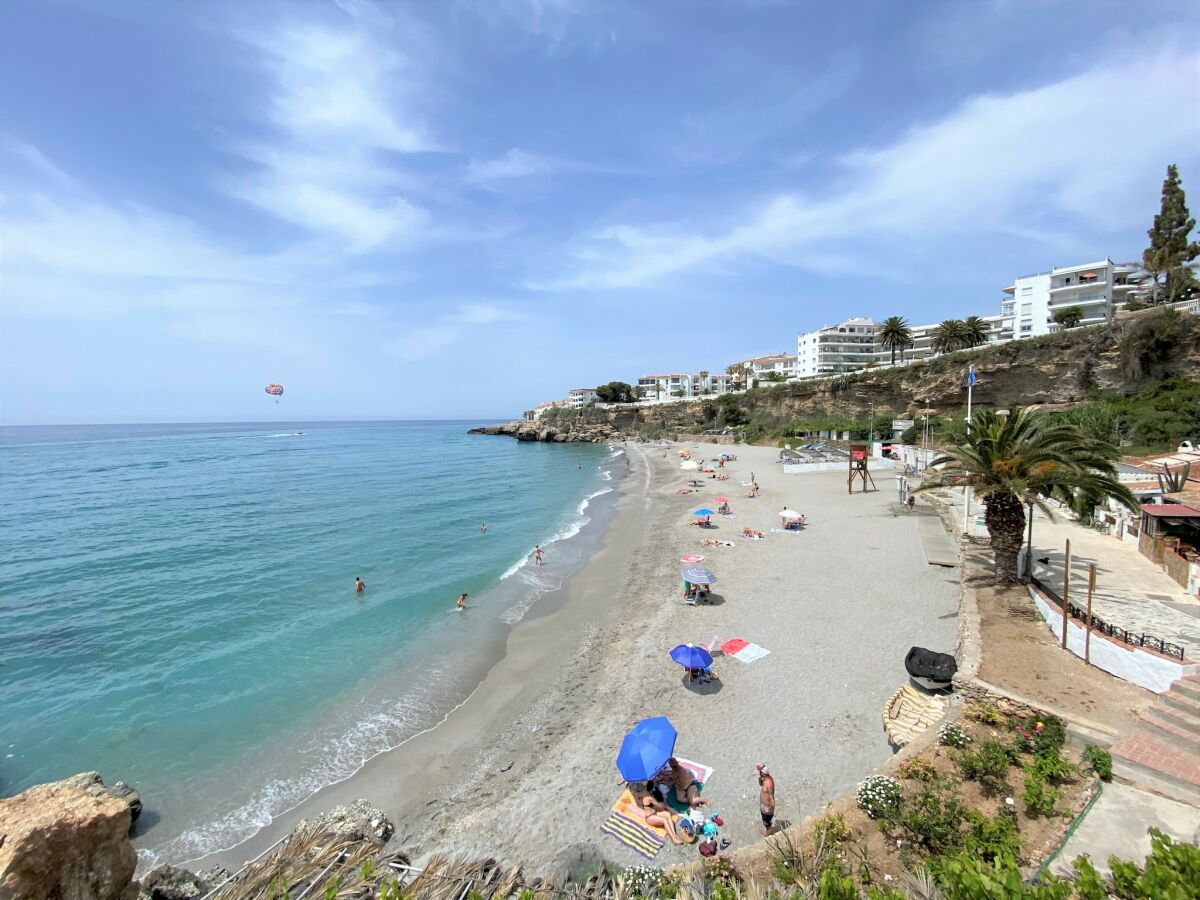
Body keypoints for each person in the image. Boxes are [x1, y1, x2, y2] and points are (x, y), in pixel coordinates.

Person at [757, 764, 776, 836]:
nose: (759, 773)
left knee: (767, 823)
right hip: (763, 805)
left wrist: (769, 808)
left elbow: (772, 798)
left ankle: (768, 834)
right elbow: (761, 784)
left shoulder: (769, 784)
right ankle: (767, 831)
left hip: (767, 807)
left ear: (763, 773)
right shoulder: (765, 778)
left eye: (760, 772)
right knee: (765, 822)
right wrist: (759, 779)